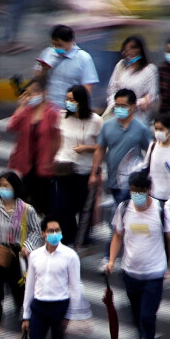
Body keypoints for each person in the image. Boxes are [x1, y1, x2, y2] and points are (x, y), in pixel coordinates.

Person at [105, 171, 170, 339]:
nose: (136, 195)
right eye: (133, 191)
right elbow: (118, 236)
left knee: (147, 315)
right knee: (136, 316)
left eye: (140, 191)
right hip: (130, 273)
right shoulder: (124, 209)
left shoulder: (161, 210)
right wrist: (111, 260)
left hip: (154, 274)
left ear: (149, 190)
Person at [22, 216, 82, 339]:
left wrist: (70, 315)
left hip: (60, 308)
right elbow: (30, 285)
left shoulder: (70, 256)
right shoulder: (35, 256)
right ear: (43, 233)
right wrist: (26, 315)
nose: (54, 234)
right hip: (39, 307)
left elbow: (76, 287)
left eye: (57, 230)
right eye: (51, 230)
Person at [0, 171, 42, 339]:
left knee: (19, 296)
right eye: (0, 186)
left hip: (18, 257)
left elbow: (37, 232)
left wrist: (27, 246)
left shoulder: (26, 209)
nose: (3, 189)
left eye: (6, 185)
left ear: (15, 186)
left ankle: (19, 330)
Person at [90, 89, 152, 264]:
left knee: (118, 217)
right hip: (114, 181)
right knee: (123, 218)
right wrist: (95, 171)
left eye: (123, 106)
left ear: (133, 107)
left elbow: (150, 151)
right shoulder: (108, 126)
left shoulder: (140, 129)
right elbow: (100, 149)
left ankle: (108, 255)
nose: (119, 109)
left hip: (132, 184)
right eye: (116, 105)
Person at [54, 85, 103, 245]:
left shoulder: (95, 120)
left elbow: (102, 146)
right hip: (64, 169)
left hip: (85, 170)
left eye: (72, 100)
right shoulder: (62, 117)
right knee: (62, 206)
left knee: (83, 208)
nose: (69, 103)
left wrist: (86, 148)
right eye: (67, 99)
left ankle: (83, 239)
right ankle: (68, 235)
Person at [7, 76, 61, 215]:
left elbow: (58, 139)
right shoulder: (26, 112)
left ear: (45, 92)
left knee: (45, 205)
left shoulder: (52, 113)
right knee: (26, 206)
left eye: (36, 91)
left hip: (45, 167)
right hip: (27, 167)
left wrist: (54, 160)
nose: (33, 95)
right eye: (29, 93)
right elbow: (12, 127)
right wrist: (21, 106)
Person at [35, 25, 99, 108]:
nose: (56, 48)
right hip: (48, 106)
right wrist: (44, 70)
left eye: (60, 45)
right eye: (54, 44)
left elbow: (87, 88)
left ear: (71, 41)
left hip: (69, 107)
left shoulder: (84, 58)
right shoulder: (48, 52)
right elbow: (36, 80)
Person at [104, 35, 158, 124]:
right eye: (126, 49)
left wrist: (132, 104)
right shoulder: (121, 66)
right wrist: (117, 105)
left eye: (133, 48)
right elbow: (112, 89)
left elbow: (150, 98)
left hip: (139, 119)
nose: (129, 52)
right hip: (117, 118)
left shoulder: (150, 70)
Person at [140, 113, 170, 214]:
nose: (157, 132)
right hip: (153, 200)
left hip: (169, 202)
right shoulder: (153, 146)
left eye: (161, 129)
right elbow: (145, 169)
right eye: (156, 129)